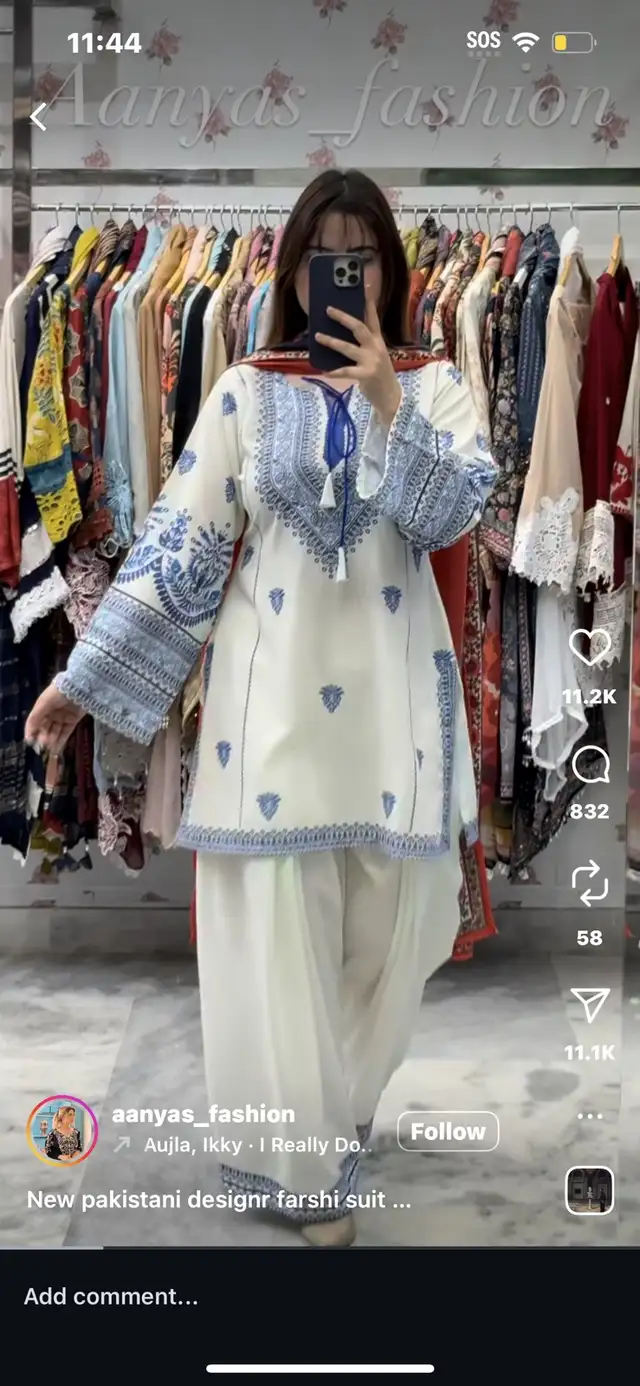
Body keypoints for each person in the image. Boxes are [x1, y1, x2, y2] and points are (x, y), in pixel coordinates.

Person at [25, 169, 496, 1247]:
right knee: (278, 938)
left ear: (389, 270)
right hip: (268, 709)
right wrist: (80, 682)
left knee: (393, 932)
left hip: (396, 718)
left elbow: (450, 517)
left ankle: (336, 1108)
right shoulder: (243, 389)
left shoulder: (435, 389)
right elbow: (180, 551)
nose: (345, 273)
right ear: (292, 272)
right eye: (326, 256)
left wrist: (387, 401)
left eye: (362, 256)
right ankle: (304, 1161)